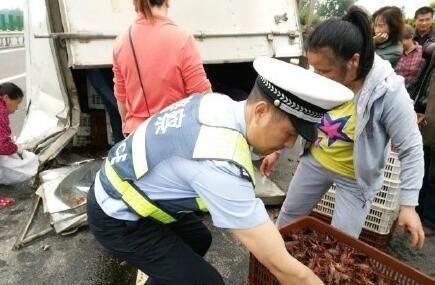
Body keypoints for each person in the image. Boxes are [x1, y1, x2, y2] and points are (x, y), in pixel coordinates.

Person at [87, 57, 353, 285]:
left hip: (124, 184)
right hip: (116, 215)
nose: (289, 145)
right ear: (260, 111)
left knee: (199, 238)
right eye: (289, 133)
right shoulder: (218, 162)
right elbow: (280, 265)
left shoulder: (219, 105)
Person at [262, 6, 425, 249]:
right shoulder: (320, 72)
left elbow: (411, 148)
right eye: (314, 68)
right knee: (288, 218)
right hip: (315, 161)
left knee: (342, 245)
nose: (316, 76)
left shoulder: (388, 91)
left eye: (324, 71)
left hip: (355, 178)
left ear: (354, 61)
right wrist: (275, 148)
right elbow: (297, 112)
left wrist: (409, 205)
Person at [113, 0, 212, 135]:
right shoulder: (181, 38)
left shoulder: (121, 42)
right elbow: (202, 96)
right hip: (175, 134)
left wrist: (126, 124)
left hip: (137, 137)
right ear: (167, 2)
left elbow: (122, 97)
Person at [0, 83, 39, 185]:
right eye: (17, 103)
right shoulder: (1, 112)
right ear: (6, 98)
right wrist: (15, 148)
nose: (17, 108)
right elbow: (2, 146)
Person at [414, 50, 435, 236]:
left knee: (434, 177)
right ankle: (418, 211)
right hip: (429, 124)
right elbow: (427, 49)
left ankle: (430, 220)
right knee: (423, 169)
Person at [87, 68, 124, 144]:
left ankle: (120, 146)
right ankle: (120, 146)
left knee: (114, 112)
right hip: (97, 70)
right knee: (115, 111)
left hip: (97, 70)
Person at [395, 24, 426, 89]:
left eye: (402, 40)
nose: (400, 43)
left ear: (411, 37)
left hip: (412, 91)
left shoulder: (421, 51)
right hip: (395, 89)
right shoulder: (396, 51)